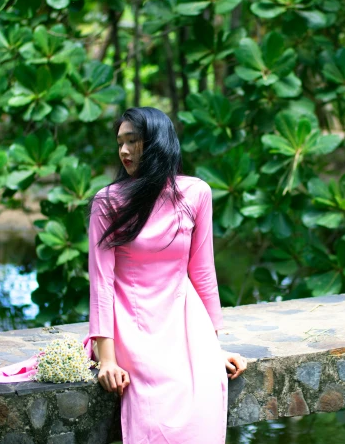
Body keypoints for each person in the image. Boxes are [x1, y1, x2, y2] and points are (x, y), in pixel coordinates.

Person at [88, 107, 247, 443]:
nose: (124, 151)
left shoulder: (196, 192)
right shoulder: (108, 201)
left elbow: (202, 271)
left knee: (206, 384)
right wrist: (107, 359)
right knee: (154, 398)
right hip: (131, 320)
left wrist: (212, 346)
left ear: (157, 142)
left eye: (133, 141)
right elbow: (102, 281)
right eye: (120, 143)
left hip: (183, 318)